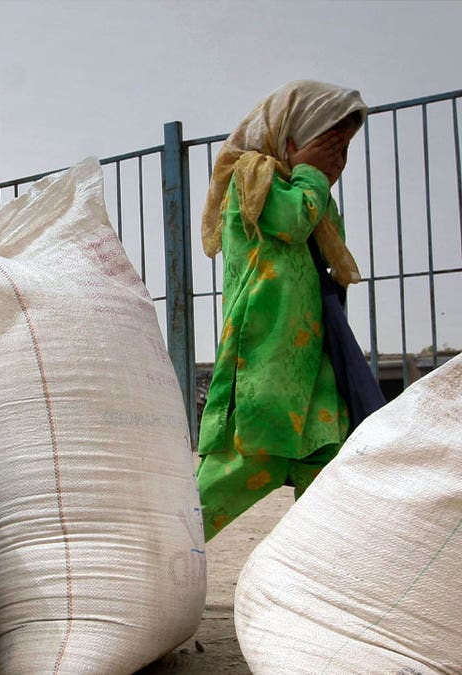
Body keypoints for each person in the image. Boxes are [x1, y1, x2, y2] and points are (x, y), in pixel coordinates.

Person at [196, 80, 368, 541]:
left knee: (326, 468)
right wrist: (313, 177)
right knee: (240, 464)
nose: (337, 159)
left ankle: (318, 580)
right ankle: (156, 560)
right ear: (288, 137)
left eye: (345, 149)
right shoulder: (253, 175)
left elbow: (327, 239)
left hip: (313, 367)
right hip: (265, 359)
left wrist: (314, 181)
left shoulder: (306, 190)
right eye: (328, 144)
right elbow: (293, 223)